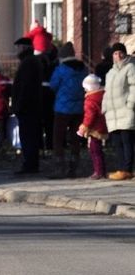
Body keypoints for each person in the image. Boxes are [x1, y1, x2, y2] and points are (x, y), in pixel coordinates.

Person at [49, 41, 88, 179]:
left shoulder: (61, 69)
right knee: (75, 138)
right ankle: (74, 167)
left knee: (58, 138)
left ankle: (59, 167)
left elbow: (53, 85)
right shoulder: (83, 69)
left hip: (62, 108)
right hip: (79, 108)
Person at [102, 42, 135, 180]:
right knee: (117, 143)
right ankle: (121, 168)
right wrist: (104, 107)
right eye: (115, 53)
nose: (118, 55)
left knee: (127, 141)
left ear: (125, 53)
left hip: (125, 111)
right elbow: (106, 91)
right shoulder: (110, 73)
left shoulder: (130, 67)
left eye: (121, 52)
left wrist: (130, 104)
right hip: (112, 113)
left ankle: (128, 169)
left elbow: (134, 87)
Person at [11, 37, 43, 174]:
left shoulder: (28, 63)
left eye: (18, 47)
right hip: (31, 106)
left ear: (24, 48)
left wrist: (19, 105)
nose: (16, 51)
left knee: (28, 136)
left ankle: (30, 164)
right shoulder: (30, 61)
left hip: (28, 107)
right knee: (30, 136)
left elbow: (25, 87)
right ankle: (31, 163)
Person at [77, 73, 108, 179]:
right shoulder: (102, 96)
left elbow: (89, 116)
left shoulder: (90, 100)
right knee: (98, 150)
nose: (85, 90)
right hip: (102, 125)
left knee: (95, 150)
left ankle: (99, 171)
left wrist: (84, 126)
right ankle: (101, 170)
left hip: (94, 128)